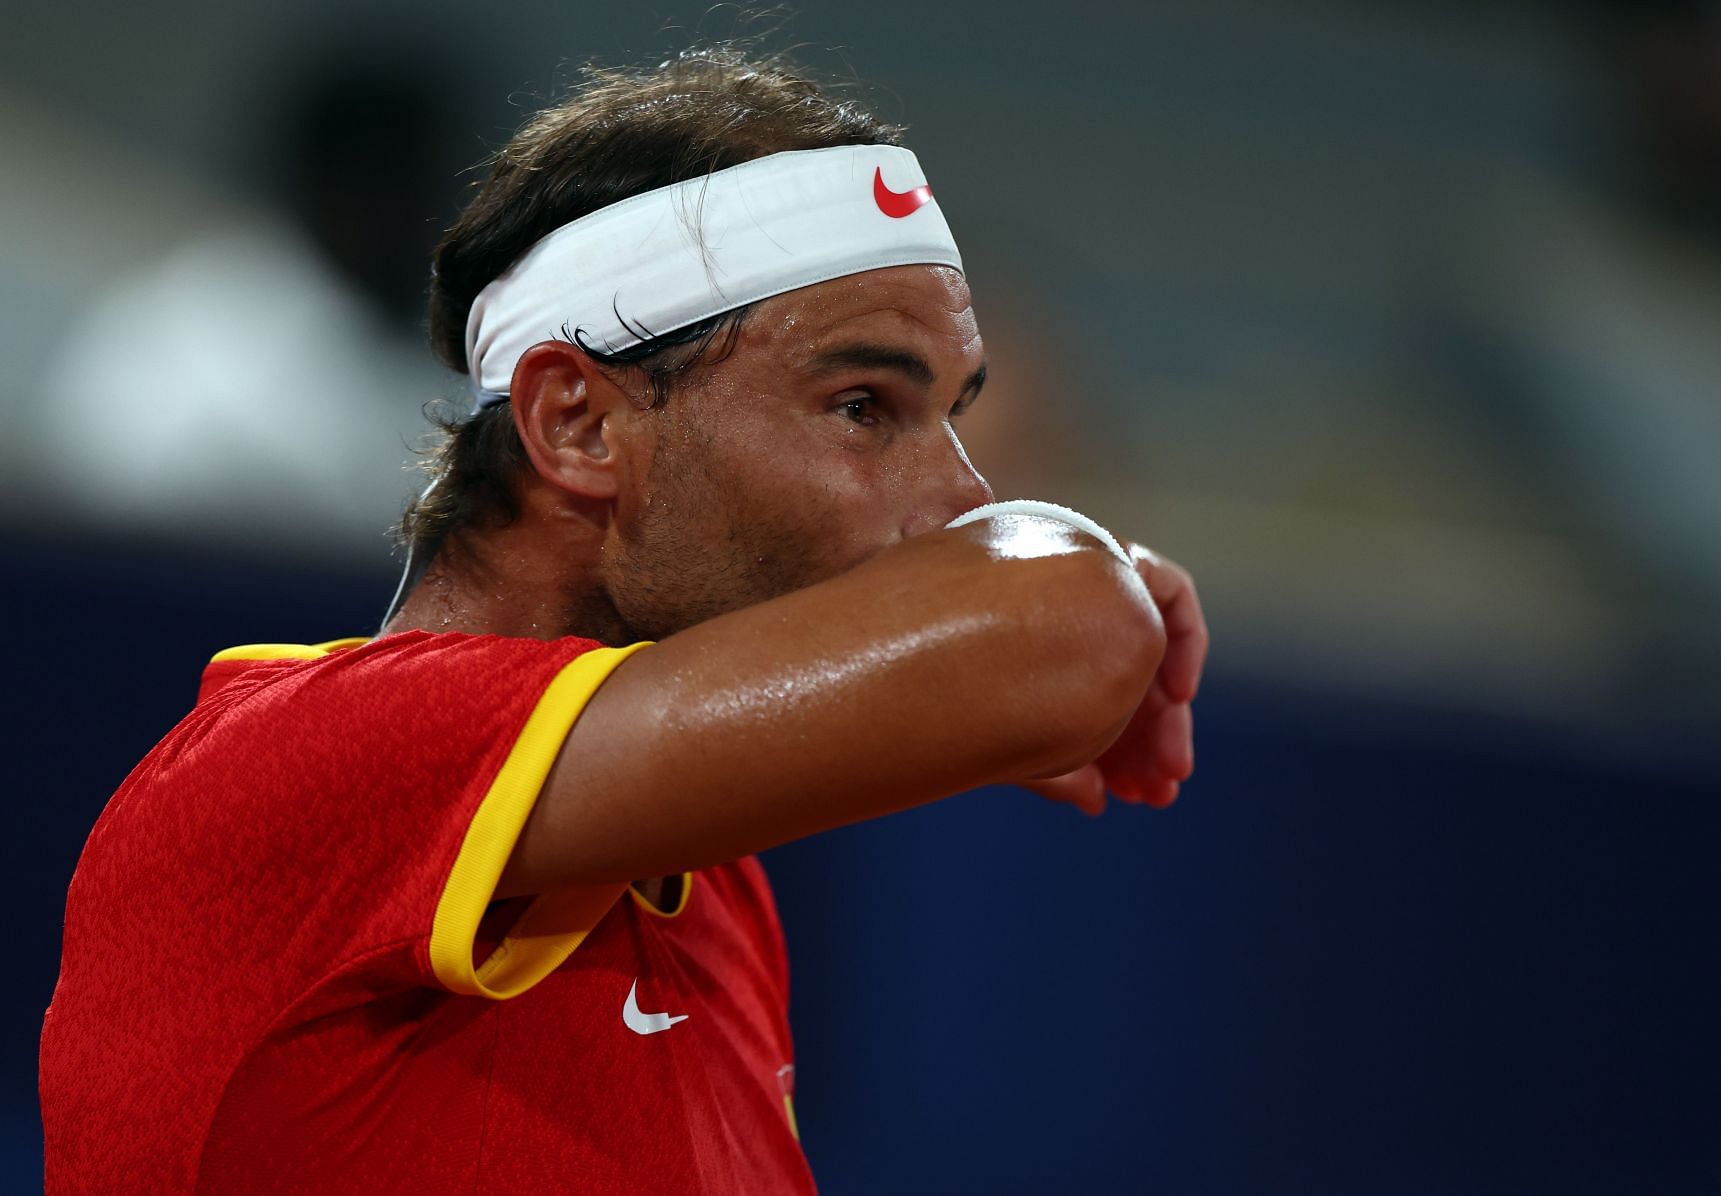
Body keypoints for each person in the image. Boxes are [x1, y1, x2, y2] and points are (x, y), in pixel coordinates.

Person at [40, 48, 1207, 1194]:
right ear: (578, 423)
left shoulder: (712, 880)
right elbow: (1067, 618)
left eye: (951, 413)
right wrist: (1085, 597)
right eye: (864, 405)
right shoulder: (310, 757)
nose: (964, 498)